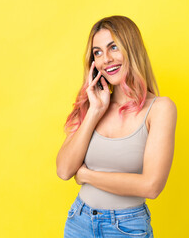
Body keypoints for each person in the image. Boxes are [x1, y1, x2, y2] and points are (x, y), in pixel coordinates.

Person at [56, 15, 177, 238]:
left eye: (113, 47)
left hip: (126, 228)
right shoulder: (93, 105)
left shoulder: (160, 109)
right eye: (98, 52)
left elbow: (151, 186)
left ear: (131, 49)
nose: (106, 59)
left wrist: (86, 175)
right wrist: (94, 111)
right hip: (79, 222)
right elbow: (64, 170)